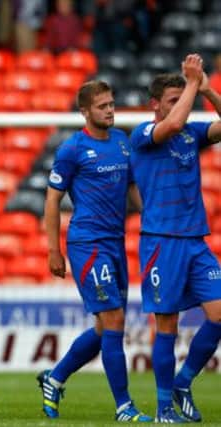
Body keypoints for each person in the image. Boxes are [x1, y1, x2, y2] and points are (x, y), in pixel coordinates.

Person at [39, 80, 151, 422]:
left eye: (111, 104)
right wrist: (53, 251)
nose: (110, 110)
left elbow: (132, 189)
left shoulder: (122, 142)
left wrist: (153, 218)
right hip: (87, 243)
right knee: (114, 319)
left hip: (115, 242)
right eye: (102, 106)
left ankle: (54, 378)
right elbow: (52, 200)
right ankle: (124, 407)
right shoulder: (73, 149)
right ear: (85, 112)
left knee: (106, 327)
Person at [129, 54, 221, 423]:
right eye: (171, 99)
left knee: (219, 315)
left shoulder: (191, 134)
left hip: (195, 240)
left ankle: (184, 383)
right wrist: (192, 84)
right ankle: (165, 405)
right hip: (161, 242)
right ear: (155, 104)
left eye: (181, 97)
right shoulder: (141, 134)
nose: (178, 104)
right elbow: (174, 121)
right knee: (167, 325)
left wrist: (207, 88)